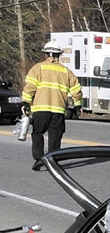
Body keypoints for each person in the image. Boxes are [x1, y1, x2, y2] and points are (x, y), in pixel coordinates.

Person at [21, 40, 82, 171]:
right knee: (55, 136)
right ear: (58, 55)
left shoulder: (38, 68)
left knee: (37, 133)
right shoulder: (66, 71)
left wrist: (25, 102)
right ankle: (53, 162)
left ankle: (38, 159)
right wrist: (77, 106)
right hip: (58, 110)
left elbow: (29, 87)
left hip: (40, 109)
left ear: (46, 54)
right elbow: (76, 90)